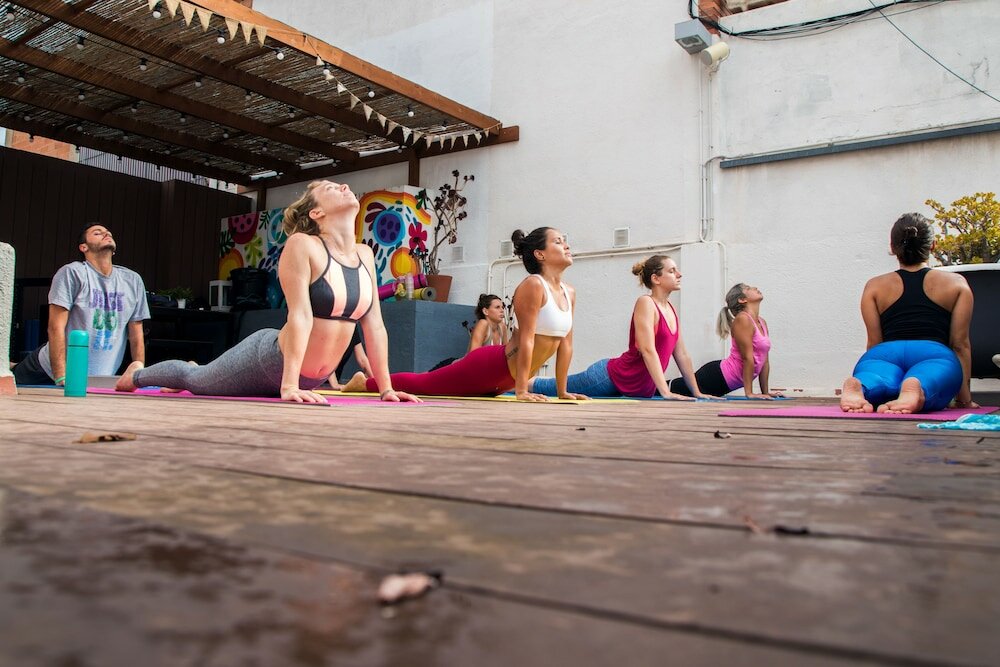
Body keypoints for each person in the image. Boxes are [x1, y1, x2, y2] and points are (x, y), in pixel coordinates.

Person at [117, 180, 419, 403]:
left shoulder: (365, 254)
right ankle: (137, 374)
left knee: (202, 377)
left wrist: (386, 388)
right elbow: (300, 315)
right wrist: (288, 386)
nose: (343, 185)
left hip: (308, 378)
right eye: (330, 189)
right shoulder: (303, 245)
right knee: (194, 379)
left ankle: (200, 371)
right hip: (269, 360)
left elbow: (375, 326)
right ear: (316, 213)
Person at [344, 226, 585, 401]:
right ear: (540, 254)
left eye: (565, 240)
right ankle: (364, 383)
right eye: (558, 241)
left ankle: (367, 382)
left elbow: (566, 345)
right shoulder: (533, 285)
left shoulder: (569, 292)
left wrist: (563, 392)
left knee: (438, 389)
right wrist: (522, 391)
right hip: (489, 367)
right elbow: (527, 339)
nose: (566, 245)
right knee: (424, 384)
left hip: (503, 382)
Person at [840, 213, 976, 414]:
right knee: (931, 375)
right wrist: (964, 400)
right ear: (932, 246)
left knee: (877, 374)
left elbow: (874, 343)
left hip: (885, 353)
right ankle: (917, 389)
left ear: (893, 248)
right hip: (933, 353)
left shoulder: (874, 286)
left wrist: (875, 360)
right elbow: (960, 344)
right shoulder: (956, 284)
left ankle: (862, 386)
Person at [531, 255, 713, 400]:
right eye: (672, 271)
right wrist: (665, 392)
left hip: (629, 386)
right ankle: (517, 381)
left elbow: (681, 355)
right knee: (547, 387)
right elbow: (647, 349)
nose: (679, 274)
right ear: (656, 278)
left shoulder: (671, 309)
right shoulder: (646, 303)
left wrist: (696, 392)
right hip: (608, 378)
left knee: (549, 386)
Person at [13, 223, 149, 386]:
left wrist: (139, 376)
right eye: (97, 233)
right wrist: (61, 376)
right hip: (46, 370)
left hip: (99, 378)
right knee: (11, 380)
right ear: (83, 247)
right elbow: (55, 327)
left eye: (108, 233)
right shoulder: (72, 273)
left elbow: (136, 334)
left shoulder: (132, 281)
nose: (106, 234)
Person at [668, 283, 780, 399]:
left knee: (673, 388)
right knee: (669, 388)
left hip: (723, 381)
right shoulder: (743, 319)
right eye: (748, 288)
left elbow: (764, 362)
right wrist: (749, 393)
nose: (755, 288)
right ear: (742, 299)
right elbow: (747, 358)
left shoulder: (762, 322)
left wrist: (765, 392)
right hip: (716, 377)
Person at [328, 325, 372, 390]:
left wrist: (374, 379)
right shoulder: (329, 324)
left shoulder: (352, 325)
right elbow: (326, 357)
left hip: (332, 381)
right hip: (317, 381)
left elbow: (362, 359)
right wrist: (334, 384)